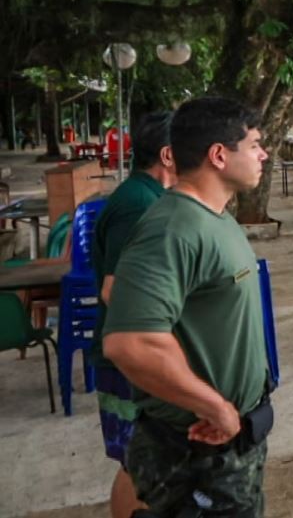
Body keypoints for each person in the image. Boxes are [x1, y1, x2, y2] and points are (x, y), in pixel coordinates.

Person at [103, 97, 272, 517]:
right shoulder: (173, 228)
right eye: (253, 145)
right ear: (218, 155)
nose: (263, 154)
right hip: (195, 449)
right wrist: (213, 406)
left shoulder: (215, 216)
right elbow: (131, 342)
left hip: (231, 441)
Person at [89, 111, 177, 518]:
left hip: (137, 350)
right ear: (168, 154)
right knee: (135, 461)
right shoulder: (136, 204)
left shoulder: (150, 197)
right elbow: (115, 287)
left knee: (142, 458)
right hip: (129, 355)